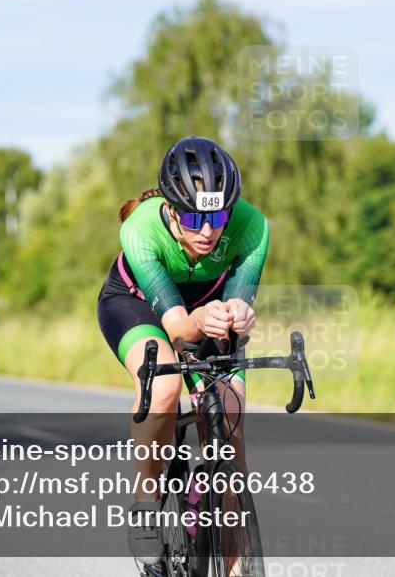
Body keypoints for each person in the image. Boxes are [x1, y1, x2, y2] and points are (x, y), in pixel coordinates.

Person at [97, 136, 269, 568]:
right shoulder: (139, 229)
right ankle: (148, 494)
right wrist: (203, 319)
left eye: (218, 216)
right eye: (194, 218)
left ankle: (233, 565)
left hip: (206, 308)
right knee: (165, 389)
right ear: (171, 210)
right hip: (139, 307)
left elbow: (237, 308)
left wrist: (239, 316)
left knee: (229, 425)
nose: (209, 231)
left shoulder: (253, 227)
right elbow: (176, 328)